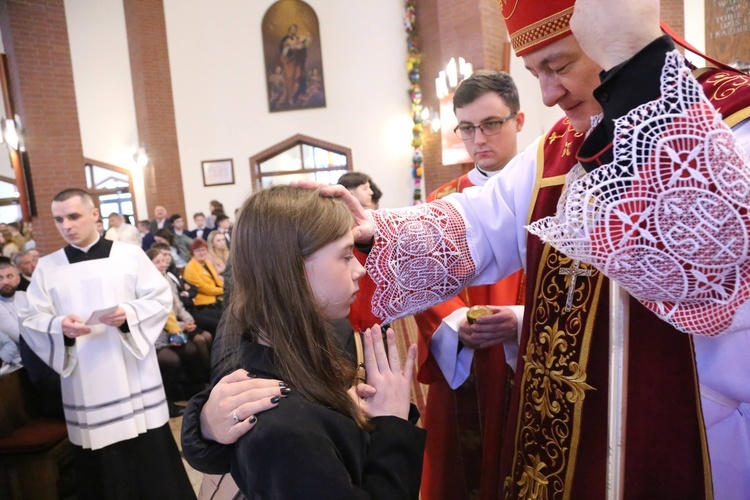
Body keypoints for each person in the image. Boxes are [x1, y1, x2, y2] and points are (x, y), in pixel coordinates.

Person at [294, 0, 750, 497]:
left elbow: (702, 264)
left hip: (700, 422)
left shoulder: (733, 122)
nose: (550, 94)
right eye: (535, 72)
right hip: (574, 426)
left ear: (618, 36)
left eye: (559, 66)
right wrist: (373, 233)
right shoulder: (560, 145)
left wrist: (635, 61)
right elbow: (480, 223)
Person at [184, 185, 425, 498]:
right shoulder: (283, 428)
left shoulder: (291, 350)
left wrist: (341, 413)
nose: (360, 269)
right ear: (291, 269)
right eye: (345, 256)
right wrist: (391, 426)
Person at [17, 188, 195, 499]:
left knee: (147, 451)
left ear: (94, 214)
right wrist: (59, 325)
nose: (66, 225)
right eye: (59, 219)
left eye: (74, 216)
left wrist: (128, 312)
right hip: (86, 377)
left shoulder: (130, 254)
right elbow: (31, 319)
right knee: (101, 464)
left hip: (132, 371)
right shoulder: (48, 267)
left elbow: (159, 298)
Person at [414, 70, 526, 500]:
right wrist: (455, 322)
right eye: (466, 127)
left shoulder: (551, 193)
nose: (478, 138)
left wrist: (520, 320)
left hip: (535, 355)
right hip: (464, 364)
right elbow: (423, 284)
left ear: (518, 121)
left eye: (492, 124)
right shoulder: (440, 204)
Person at [147, 248, 211, 417]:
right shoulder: (148, 283)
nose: (162, 264)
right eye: (158, 261)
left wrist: (185, 322)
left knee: (191, 349)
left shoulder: (166, 278)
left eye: (163, 260)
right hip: (156, 331)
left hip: (172, 325)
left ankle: (193, 388)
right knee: (172, 360)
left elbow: (176, 306)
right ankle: (167, 401)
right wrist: (180, 328)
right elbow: (160, 313)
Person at [183, 238, 224, 334]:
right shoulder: (190, 267)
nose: (202, 253)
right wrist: (223, 290)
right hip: (201, 307)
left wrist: (227, 287)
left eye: (203, 250)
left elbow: (216, 281)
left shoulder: (207, 263)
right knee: (222, 324)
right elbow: (203, 288)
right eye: (198, 250)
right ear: (192, 252)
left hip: (214, 302)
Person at [0, 261, 22, 367]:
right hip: (16, 362)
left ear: (18, 279)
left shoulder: (26, 296)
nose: (5, 282)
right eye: (0, 278)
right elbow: (20, 336)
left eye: (9, 276)